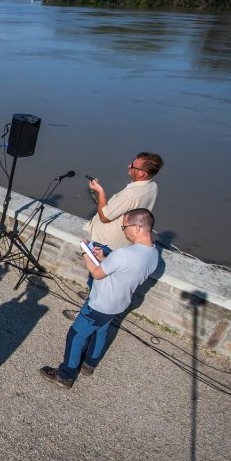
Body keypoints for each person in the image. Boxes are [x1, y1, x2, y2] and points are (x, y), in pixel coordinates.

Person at [40, 208, 159, 388]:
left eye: (124, 226)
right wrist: (104, 258)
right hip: (119, 302)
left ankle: (66, 375)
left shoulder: (124, 254)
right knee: (101, 331)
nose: (123, 230)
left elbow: (96, 273)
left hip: (100, 303)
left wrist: (85, 252)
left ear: (137, 227)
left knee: (76, 335)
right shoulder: (153, 253)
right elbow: (123, 271)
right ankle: (89, 365)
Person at [85, 152, 163, 251]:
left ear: (141, 173)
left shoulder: (130, 195)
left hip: (105, 243)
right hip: (124, 242)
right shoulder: (153, 186)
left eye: (133, 165)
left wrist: (100, 191)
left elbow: (104, 217)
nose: (129, 166)